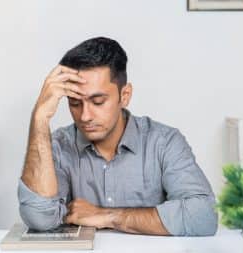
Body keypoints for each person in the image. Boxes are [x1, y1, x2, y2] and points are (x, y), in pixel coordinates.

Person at [18, 37, 218, 236]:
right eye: (75, 103)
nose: (85, 116)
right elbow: (39, 218)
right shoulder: (58, 146)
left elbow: (203, 216)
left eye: (97, 101)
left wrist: (108, 216)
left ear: (125, 96)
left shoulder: (164, 142)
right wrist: (40, 118)